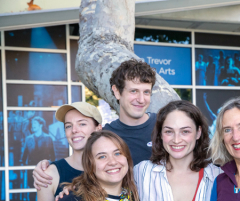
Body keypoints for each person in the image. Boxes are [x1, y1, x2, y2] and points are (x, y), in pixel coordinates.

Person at [32, 58, 157, 189]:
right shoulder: (105, 136)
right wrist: (46, 167)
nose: (141, 99)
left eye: (146, 92)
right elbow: (78, 162)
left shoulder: (164, 127)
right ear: (117, 92)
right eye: (134, 91)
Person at [36, 102, 102, 201]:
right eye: (68, 126)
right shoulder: (50, 174)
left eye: (82, 124)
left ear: (98, 129)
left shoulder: (112, 170)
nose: (74, 130)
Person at [18, 116, 56, 201]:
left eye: (35, 124)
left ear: (40, 125)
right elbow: (24, 156)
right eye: (32, 124)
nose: (32, 126)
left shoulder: (48, 138)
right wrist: (22, 165)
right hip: (32, 171)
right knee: (31, 194)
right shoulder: (28, 138)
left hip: (45, 171)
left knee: (46, 193)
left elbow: (53, 156)